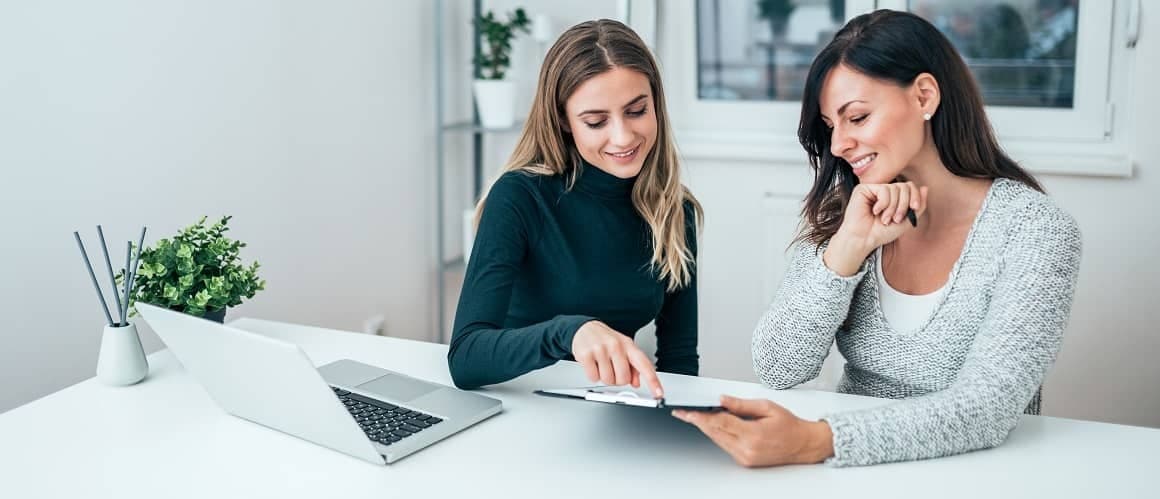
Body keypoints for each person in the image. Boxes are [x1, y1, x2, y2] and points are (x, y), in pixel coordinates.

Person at [673, 9, 1081, 468]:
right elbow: (778, 366)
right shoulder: (851, 212)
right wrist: (847, 249)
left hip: (973, 475)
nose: (838, 145)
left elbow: (987, 408)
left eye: (858, 117)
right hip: (849, 474)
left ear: (924, 95)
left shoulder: (1035, 229)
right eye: (830, 126)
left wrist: (818, 441)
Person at [447, 19, 703, 398]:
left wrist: (677, 427)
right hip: (515, 405)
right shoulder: (519, 196)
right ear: (564, 121)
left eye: (636, 111)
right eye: (596, 121)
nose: (623, 136)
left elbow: (680, 359)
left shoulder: (672, 209)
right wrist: (569, 332)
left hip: (609, 415)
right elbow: (465, 359)